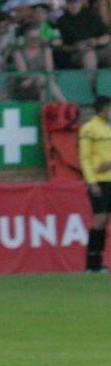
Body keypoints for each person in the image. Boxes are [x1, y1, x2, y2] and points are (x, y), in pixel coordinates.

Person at [78, 94, 111, 272]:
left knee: (105, 222)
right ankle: (91, 264)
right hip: (99, 181)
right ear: (102, 110)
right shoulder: (89, 129)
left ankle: (99, 263)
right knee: (99, 220)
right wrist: (91, 182)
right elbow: (85, 158)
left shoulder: (108, 127)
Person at [57, 0, 111, 72]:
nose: (73, 4)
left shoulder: (91, 16)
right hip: (78, 52)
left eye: (76, 1)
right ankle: (92, 81)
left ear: (80, 2)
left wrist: (97, 41)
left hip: (98, 47)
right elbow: (61, 46)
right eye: (70, 2)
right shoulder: (62, 21)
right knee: (89, 55)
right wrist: (75, 47)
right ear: (67, 3)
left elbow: (107, 36)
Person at [11, 26, 64, 101]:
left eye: (38, 38)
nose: (35, 41)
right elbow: (23, 74)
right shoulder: (19, 52)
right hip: (26, 84)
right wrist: (37, 76)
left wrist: (37, 76)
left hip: (43, 80)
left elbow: (49, 70)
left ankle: (45, 107)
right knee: (45, 81)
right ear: (25, 38)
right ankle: (64, 103)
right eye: (32, 38)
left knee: (44, 88)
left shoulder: (46, 50)